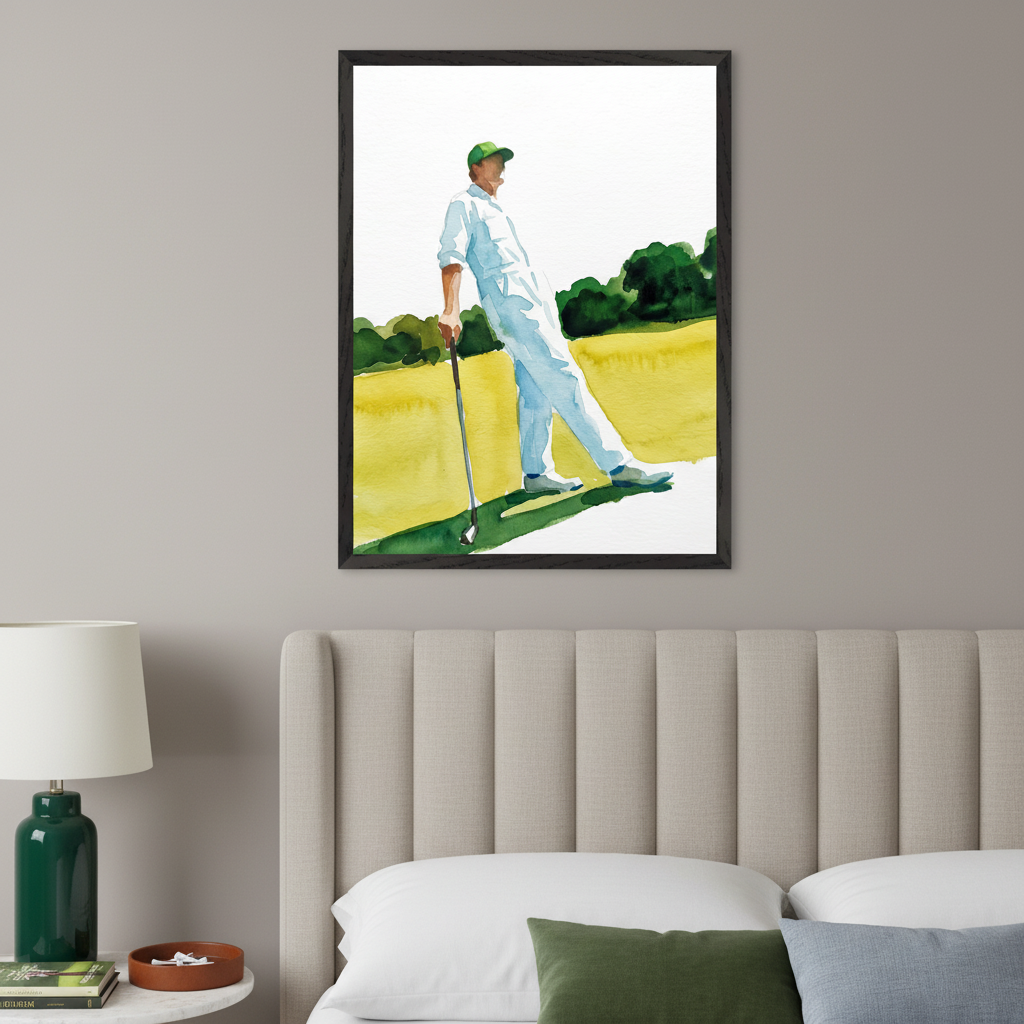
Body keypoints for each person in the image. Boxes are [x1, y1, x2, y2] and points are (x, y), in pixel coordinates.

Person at [437, 141, 672, 494]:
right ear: (475, 169)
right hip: (510, 303)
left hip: (531, 297)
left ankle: (535, 475)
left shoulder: (494, 207)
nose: (501, 166)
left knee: (534, 390)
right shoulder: (464, 203)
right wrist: (451, 308)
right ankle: (618, 465)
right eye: (493, 161)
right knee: (564, 376)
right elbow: (451, 257)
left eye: (502, 161)